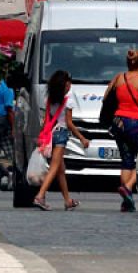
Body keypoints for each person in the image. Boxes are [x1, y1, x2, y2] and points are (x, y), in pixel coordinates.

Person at [108, 49, 138, 213]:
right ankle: (128, 187)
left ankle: (126, 201)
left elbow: (106, 98)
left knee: (126, 160)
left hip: (119, 123)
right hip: (137, 124)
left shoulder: (118, 78)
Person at [33, 70, 88, 211]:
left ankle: (68, 201)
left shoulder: (50, 99)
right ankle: (40, 196)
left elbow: (47, 120)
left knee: (60, 170)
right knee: (54, 168)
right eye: (69, 83)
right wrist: (82, 138)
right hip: (61, 134)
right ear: (65, 85)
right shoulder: (68, 101)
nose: (70, 86)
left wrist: (41, 137)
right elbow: (69, 124)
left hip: (52, 134)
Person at [0, 68, 16, 169]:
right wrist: (13, 128)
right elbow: (9, 110)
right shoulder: (9, 90)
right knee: (7, 144)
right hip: (4, 121)